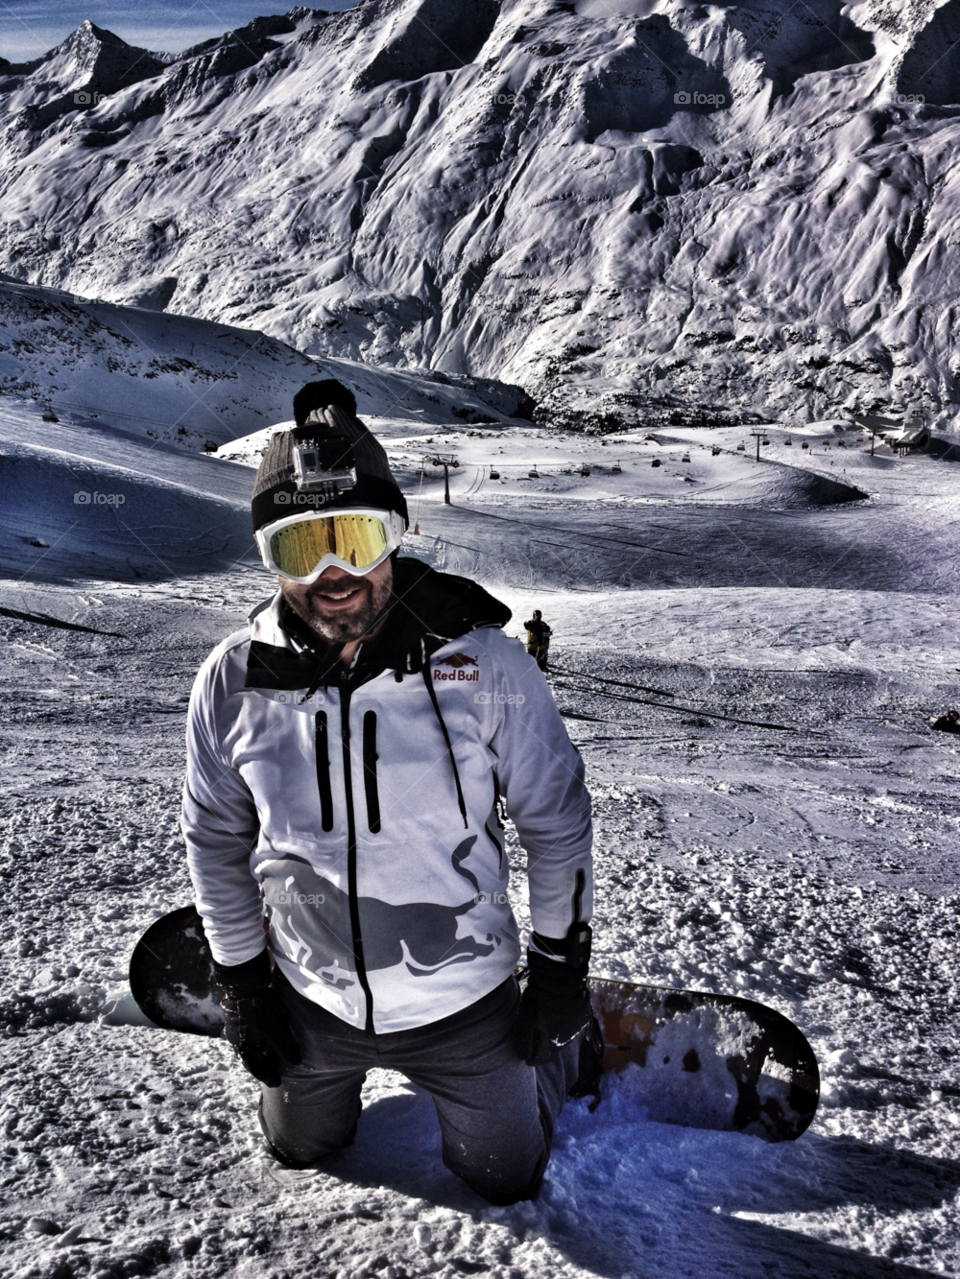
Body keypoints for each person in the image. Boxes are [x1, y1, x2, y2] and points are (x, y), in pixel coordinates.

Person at [181, 380, 600, 1206]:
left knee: (505, 1176)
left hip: (465, 1002)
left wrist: (557, 969)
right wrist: (243, 982)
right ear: (268, 558)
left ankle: (560, 1057)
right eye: (302, 548)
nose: (335, 575)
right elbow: (215, 840)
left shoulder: (485, 665)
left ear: (398, 537)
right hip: (312, 999)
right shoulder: (231, 683)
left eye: (359, 538)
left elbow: (556, 820)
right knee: (300, 1147)